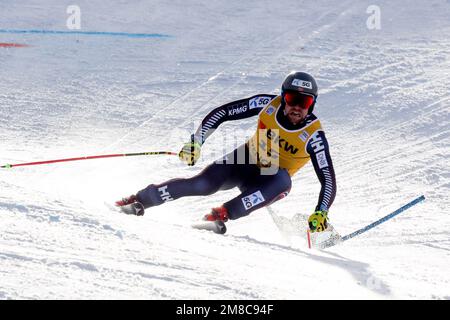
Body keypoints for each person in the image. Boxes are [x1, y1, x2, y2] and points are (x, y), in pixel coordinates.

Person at [116, 71, 336, 233]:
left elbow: (327, 179)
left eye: (304, 101)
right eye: (291, 100)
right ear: (283, 98)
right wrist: (197, 141)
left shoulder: (314, 136)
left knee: (283, 180)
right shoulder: (267, 104)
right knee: (202, 185)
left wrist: (322, 211)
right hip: (244, 161)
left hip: (269, 181)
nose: (297, 107)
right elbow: (224, 112)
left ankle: (219, 215)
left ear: (312, 105)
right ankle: (139, 199)